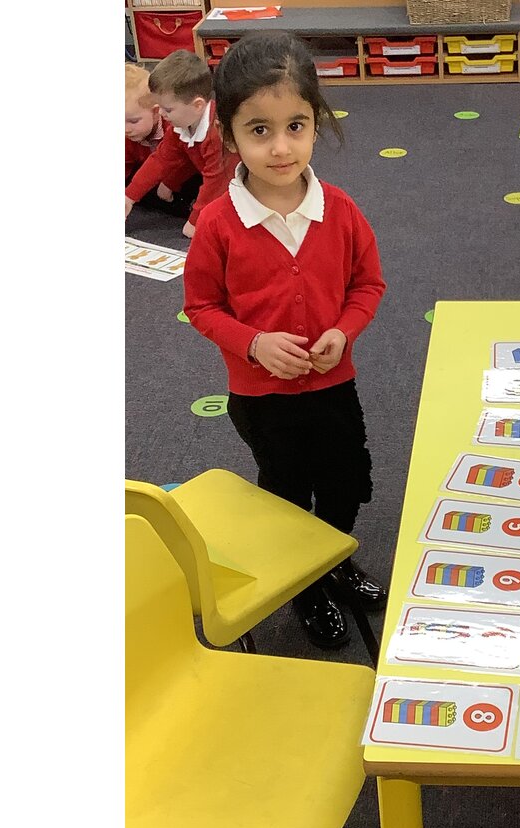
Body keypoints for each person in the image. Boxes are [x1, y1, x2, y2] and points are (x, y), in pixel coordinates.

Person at [182, 31, 387, 650]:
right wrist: (253, 344)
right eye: (259, 130)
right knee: (288, 491)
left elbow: (368, 285)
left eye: (295, 126)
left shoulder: (340, 210)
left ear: (316, 123)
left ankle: (331, 558)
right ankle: (306, 584)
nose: (280, 147)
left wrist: (343, 330)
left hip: (333, 385)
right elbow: (201, 307)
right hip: (261, 398)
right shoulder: (218, 223)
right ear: (229, 136)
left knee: (347, 480)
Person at [125, 50, 240, 238]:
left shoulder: (216, 133)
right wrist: (129, 196)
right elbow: (161, 159)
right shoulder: (180, 126)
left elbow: (217, 182)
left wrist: (195, 221)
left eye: (168, 109)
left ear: (197, 105)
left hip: (241, 189)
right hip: (217, 184)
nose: (161, 113)